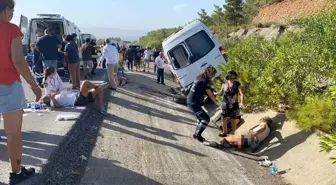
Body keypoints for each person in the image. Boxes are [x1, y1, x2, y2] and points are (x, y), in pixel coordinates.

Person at [0, 1, 43, 183]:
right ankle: (16, 173)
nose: (12, 14)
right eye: (12, 10)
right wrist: (34, 85)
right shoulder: (11, 29)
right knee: (13, 133)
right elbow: (18, 60)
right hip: (9, 86)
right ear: (5, 9)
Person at [186, 66, 219, 143]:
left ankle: (196, 134)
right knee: (206, 119)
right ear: (210, 74)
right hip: (193, 103)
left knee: (201, 118)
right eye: (213, 75)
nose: (213, 77)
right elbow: (210, 95)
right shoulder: (204, 81)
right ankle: (198, 135)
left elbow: (206, 90)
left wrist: (214, 92)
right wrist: (216, 103)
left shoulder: (199, 78)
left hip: (191, 101)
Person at [42, 81, 108, 115]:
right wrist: (52, 98)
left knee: (100, 90)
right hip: (77, 100)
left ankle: (101, 107)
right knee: (85, 83)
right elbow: (58, 106)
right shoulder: (52, 102)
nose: (48, 94)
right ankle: (97, 87)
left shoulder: (54, 96)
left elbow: (66, 92)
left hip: (77, 96)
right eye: (47, 96)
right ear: (47, 100)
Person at [215, 71, 246, 137]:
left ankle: (233, 134)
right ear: (228, 77)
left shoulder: (237, 84)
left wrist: (242, 102)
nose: (233, 79)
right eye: (231, 78)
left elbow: (241, 94)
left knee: (233, 120)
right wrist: (216, 93)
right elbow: (221, 92)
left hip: (234, 104)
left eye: (234, 78)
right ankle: (224, 133)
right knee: (223, 118)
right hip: (225, 104)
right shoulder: (224, 83)